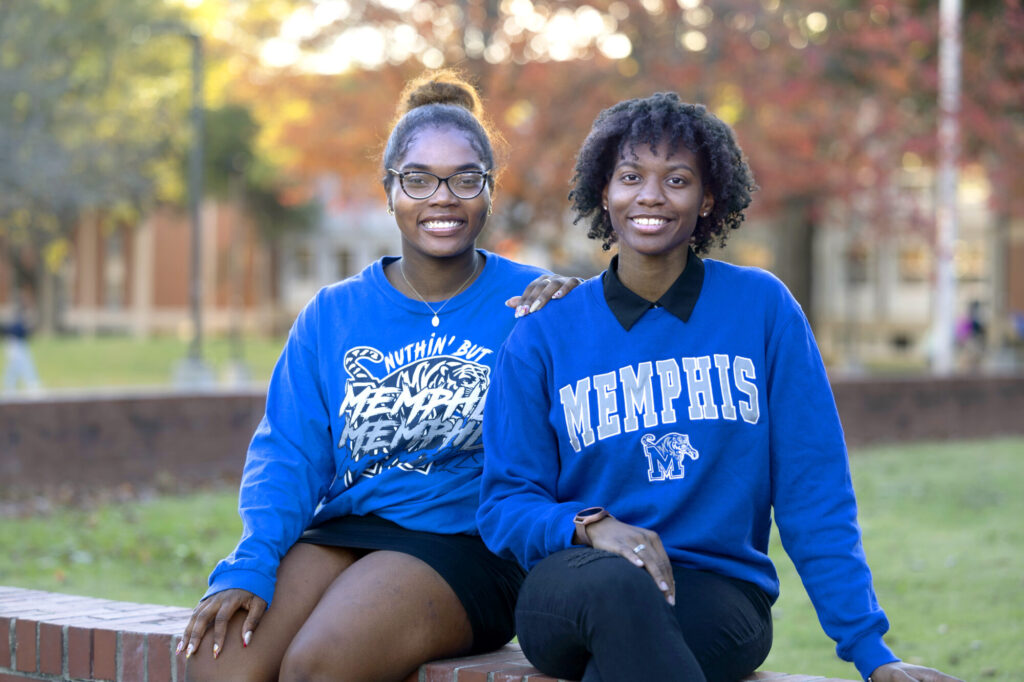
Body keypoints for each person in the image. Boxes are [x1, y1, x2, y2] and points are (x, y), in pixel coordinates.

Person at [477, 93, 963, 682]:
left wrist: (870, 651)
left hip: (716, 595)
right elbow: (505, 505)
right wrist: (592, 526)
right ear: (605, 192)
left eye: (676, 179)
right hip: (574, 586)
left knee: (637, 653)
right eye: (631, 177)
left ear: (708, 198)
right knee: (617, 586)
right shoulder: (544, 333)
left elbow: (814, 491)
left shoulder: (761, 309)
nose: (651, 196)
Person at [179, 70, 580, 682]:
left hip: (470, 544)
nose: (441, 198)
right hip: (348, 526)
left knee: (320, 665)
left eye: (465, 179)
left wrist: (582, 314)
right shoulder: (332, 313)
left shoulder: (533, 302)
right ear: (388, 189)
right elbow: (288, 452)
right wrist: (250, 564)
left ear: (489, 191)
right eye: (417, 180)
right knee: (216, 664)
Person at [2, 291, 41, 394]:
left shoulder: (22, 315)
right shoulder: (17, 316)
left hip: (19, 343)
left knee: (15, 367)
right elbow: (16, 330)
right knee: (23, 365)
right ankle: (31, 384)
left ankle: (10, 386)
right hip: (15, 344)